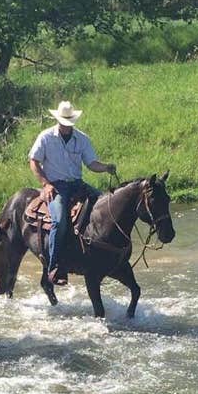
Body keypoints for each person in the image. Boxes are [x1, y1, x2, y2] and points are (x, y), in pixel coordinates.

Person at [29, 100, 116, 286]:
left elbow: (91, 163)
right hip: (57, 186)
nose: (66, 126)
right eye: (63, 122)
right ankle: (54, 267)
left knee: (106, 205)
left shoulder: (82, 139)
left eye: (69, 123)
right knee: (59, 222)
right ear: (58, 120)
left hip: (77, 184)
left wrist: (106, 167)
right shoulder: (45, 137)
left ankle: (102, 254)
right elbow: (34, 161)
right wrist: (45, 184)